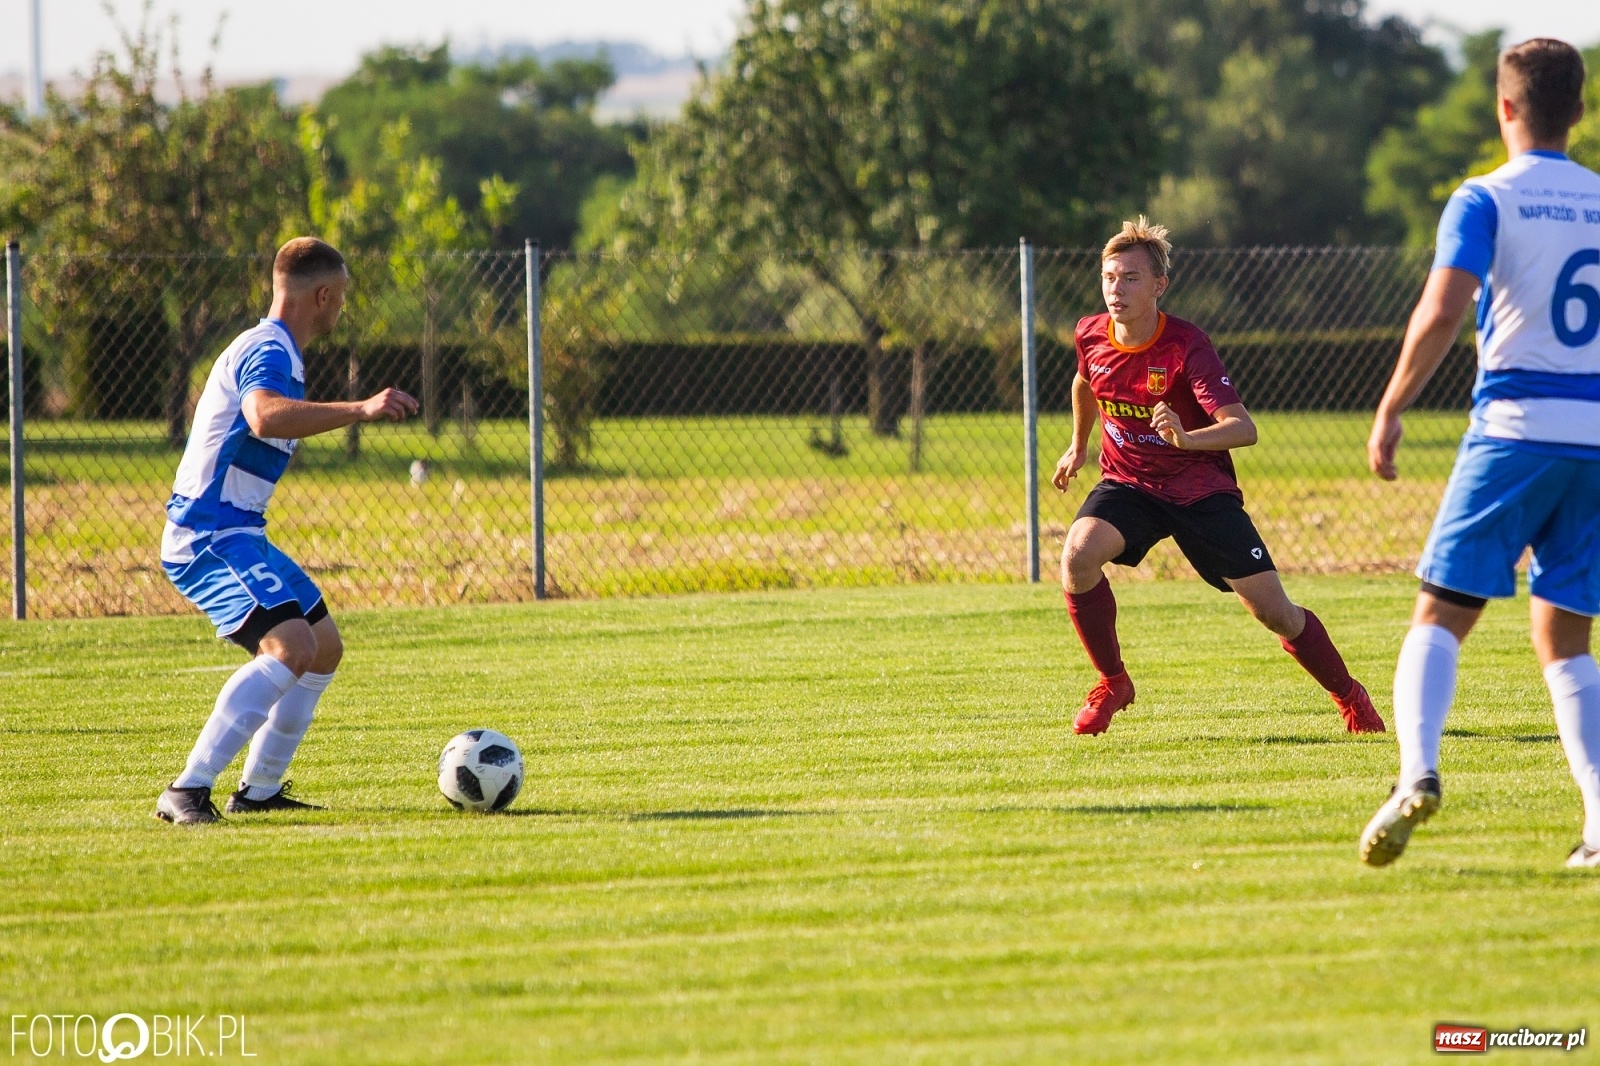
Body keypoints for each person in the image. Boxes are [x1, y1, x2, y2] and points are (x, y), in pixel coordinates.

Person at [1360, 39, 1600, 869]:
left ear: (1504, 108)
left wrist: (1392, 405)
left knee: (1439, 616)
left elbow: (1441, 311)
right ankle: (1599, 824)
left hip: (1515, 433)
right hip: (1595, 441)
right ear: (1579, 110)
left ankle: (1416, 774)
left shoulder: (1485, 198)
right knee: (1566, 639)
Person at [1052, 217, 1384, 737]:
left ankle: (1349, 695)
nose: (1117, 289)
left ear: (1159, 286)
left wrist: (1187, 438)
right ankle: (1112, 682)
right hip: (1129, 483)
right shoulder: (1090, 333)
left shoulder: (1186, 345)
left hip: (1199, 491)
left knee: (1276, 614)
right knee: (1077, 555)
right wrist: (1078, 446)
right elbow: (1084, 382)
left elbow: (1243, 428)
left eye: (1131, 278)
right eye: (1109, 277)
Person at [155, 238, 418, 825]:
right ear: (322, 295)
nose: (341, 307)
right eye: (340, 296)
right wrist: (361, 409)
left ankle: (260, 789)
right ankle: (186, 789)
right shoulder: (269, 350)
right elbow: (263, 415)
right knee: (289, 647)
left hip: (242, 531)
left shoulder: (279, 351)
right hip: (208, 534)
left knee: (322, 647)